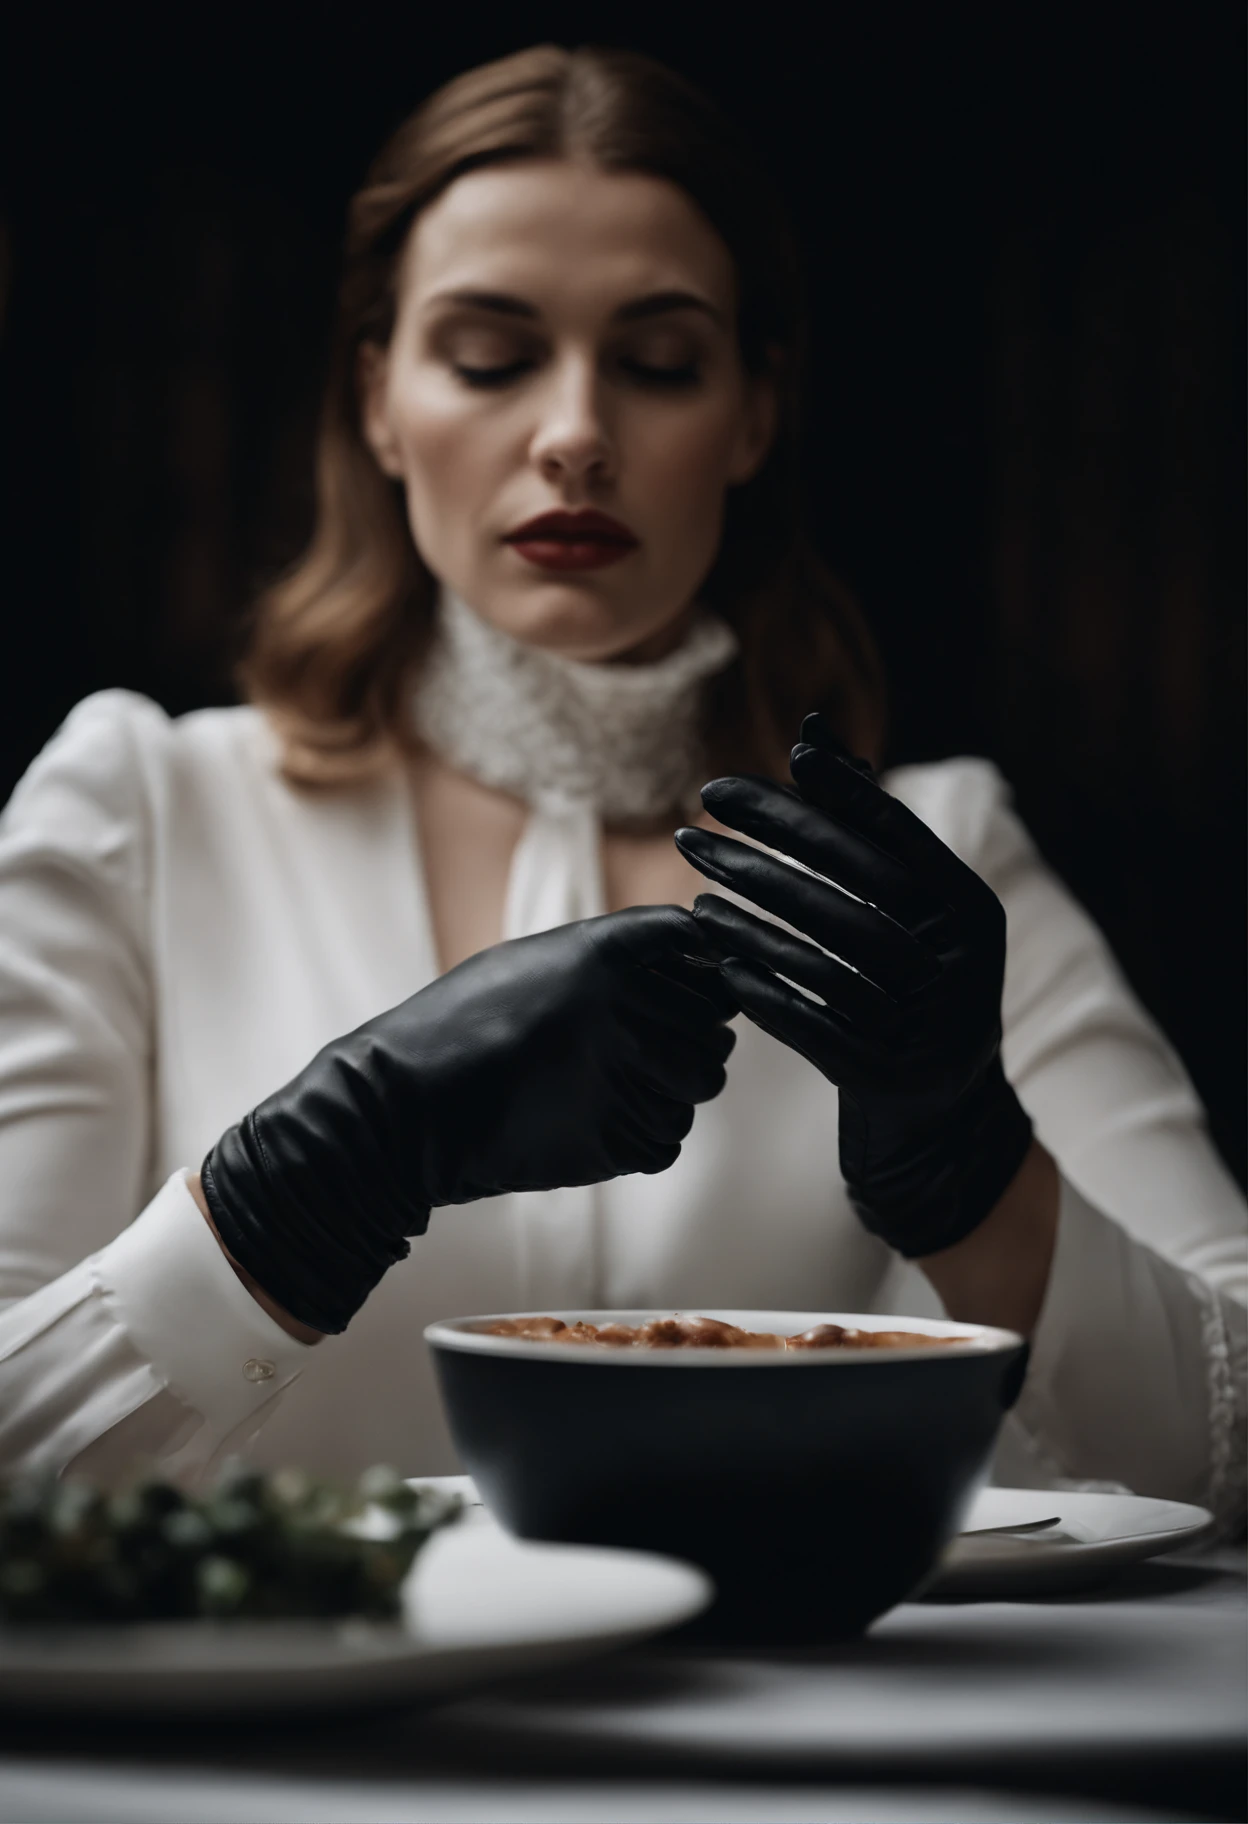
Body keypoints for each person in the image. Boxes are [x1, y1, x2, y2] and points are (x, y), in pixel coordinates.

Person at [0, 45, 1243, 1528]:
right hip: (286, 1750)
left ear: (755, 415)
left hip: (810, 1750)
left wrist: (978, 1174)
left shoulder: (941, 856)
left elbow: (1227, 1452)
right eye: (490, 354)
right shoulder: (138, 812)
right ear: (380, 399)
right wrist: (304, 1187)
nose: (578, 433)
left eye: (658, 363)